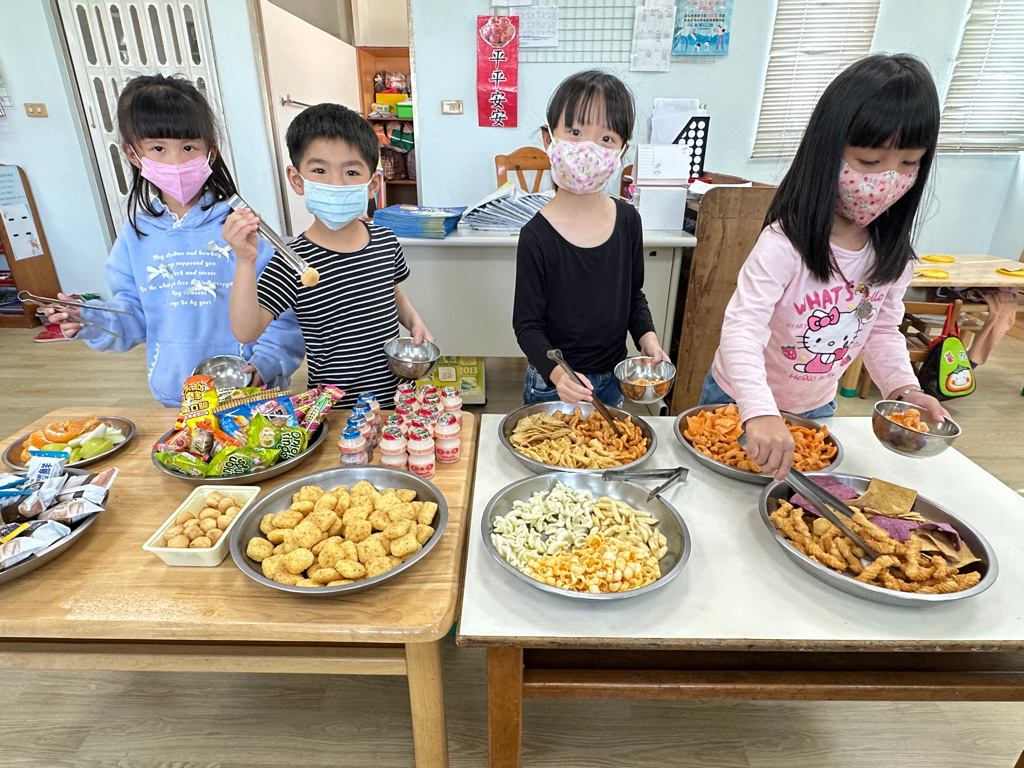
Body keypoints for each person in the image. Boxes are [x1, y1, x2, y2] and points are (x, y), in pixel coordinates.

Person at [701, 54, 949, 480]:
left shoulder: (894, 255)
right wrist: (759, 411)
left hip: (815, 407)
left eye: (909, 163)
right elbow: (742, 328)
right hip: (738, 402)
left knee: (791, 498)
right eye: (869, 162)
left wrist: (904, 389)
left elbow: (881, 330)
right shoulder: (784, 244)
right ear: (828, 152)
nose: (888, 179)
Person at [46, 74, 303, 407]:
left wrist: (266, 363)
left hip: (250, 390)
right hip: (177, 396)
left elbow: (283, 311)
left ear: (210, 152)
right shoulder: (136, 234)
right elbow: (134, 313)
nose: (176, 161)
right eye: (158, 148)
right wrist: (89, 319)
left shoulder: (242, 227)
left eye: (188, 148)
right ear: (133, 154)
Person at [226, 102, 432, 409]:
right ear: (297, 180)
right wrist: (244, 261)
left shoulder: (385, 240)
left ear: (373, 184)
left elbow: (392, 292)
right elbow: (246, 330)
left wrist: (415, 322)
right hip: (333, 409)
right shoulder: (292, 260)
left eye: (351, 172)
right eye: (320, 171)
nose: (336, 183)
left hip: (394, 400)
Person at [512, 69, 670, 407]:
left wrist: (648, 338)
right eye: (575, 132)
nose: (588, 148)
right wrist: (558, 375)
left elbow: (633, 295)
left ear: (622, 151)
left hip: (613, 378)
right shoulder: (536, 235)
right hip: (554, 383)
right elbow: (527, 325)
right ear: (549, 139)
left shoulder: (628, 220)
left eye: (606, 138)